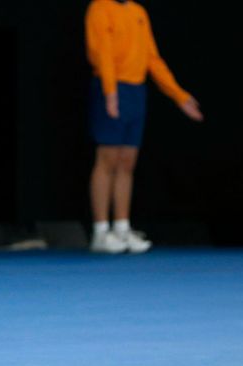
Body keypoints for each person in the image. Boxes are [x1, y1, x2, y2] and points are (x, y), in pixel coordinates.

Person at [84, 0, 203, 253]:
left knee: (127, 161)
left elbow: (152, 57)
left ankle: (122, 227)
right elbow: (101, 50)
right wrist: (110, 91)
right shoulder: (100, 7)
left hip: (136, 91)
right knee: (107, 159)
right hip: (111, 87)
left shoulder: (138, 11)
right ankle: (101, 231)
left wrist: (178, 95)